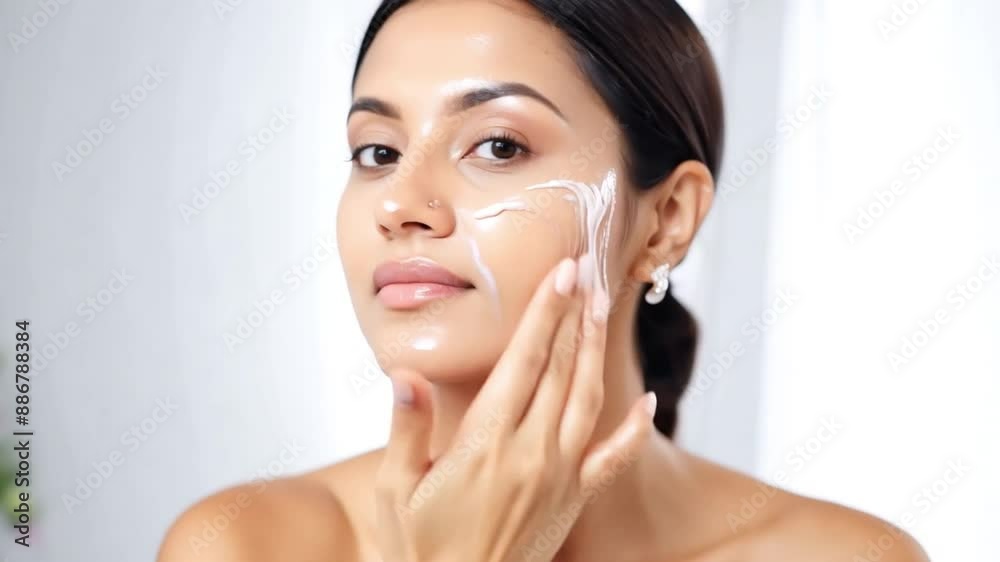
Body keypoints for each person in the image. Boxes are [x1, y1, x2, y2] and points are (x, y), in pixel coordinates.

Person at [158, 1, 930, 560]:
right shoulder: (244, 544)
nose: (399, 205)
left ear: (664, 220)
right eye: (378, 152)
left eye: (496, 146)